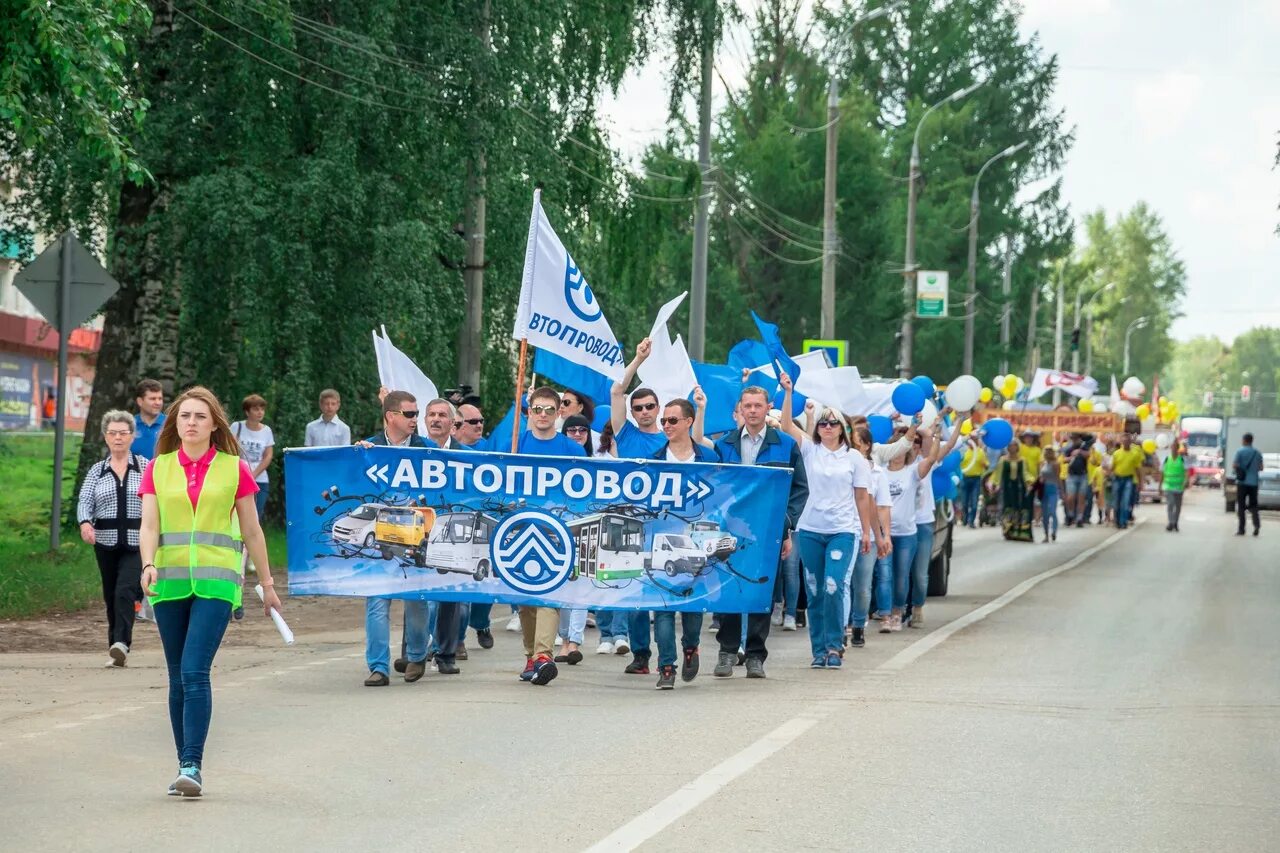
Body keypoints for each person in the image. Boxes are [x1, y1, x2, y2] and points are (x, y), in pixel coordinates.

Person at [138, 386, 281, 797]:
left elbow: (252, 530)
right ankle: (183, 758)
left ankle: (192, 766)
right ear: (175, 423)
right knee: (176, 676)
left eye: (200, 416)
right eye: (185, 416)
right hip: (169, 581)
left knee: (194, 670)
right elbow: (149, 526)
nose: (192, 423)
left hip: (217, 582)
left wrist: (267, 585)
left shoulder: (234, 468)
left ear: (214, 423)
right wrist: (147, 565)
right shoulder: (158, 467)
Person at [706, 384, 808, 678]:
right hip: (729, 531)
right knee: (728, 588)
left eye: (757, 406)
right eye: (747, 406)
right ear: (740, 409)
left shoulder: (785, 444)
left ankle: (755, 655)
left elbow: (800, 488)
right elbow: (713, 486)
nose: (752, 411)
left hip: (767, 531)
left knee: (762, 589)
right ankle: (726, 652)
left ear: (767, 408)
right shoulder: (724, 445)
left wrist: (786, 523)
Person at [777, 375, 874, 668]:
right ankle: (819, 650)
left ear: (843, 429)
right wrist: (789, 392)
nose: (827, 427)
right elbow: (785, 426)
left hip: (843, 530)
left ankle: (835, 645)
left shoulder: (855, 458)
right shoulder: (809, 450)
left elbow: (862, 498)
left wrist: (867, 532)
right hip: (809, 530)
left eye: (833, 423)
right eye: (823, 423)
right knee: (816, 590)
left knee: (834, 586)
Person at [510, 386, 586, 686]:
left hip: (556, 533)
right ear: (529, 411)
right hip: (519, 530)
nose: (543, 415)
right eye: (537, 409)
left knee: (550, 593)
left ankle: (544, 655)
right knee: (525, 599)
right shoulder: (516, 442)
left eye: (549, 410)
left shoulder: (572, 450)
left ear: (559, 413)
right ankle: (531, 656)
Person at [355, 391, 432, 687]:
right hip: (381, 536)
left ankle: (416, 655)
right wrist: (356, 456)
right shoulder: (369, 447)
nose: (416, 420)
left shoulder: (425, 450)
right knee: (377, 599)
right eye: (410, 414)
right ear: (391, 416)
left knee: (416, 600)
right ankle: (378, 667)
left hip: (414, 534)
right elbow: (351, 478)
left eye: (416, 414)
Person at [647, 392, 719, 688]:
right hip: (662, 540)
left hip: (695, 543)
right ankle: (666, 666)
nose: (666, 425)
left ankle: (691, 646)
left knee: (691, 607)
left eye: (672, 420)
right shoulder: (653, 460)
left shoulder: (709, 457)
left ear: (689, 422)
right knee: (662, 606)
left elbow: (723, 496)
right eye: (664, 420)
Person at [609, 339, 668, 676]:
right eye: (639, 407)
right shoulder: (625, 433)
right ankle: (641, 654)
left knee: (660, 589)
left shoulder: (671, 436)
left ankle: (669, 655)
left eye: (649, 406)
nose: (644, 411)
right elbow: (618, 392)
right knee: (632, 589)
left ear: (658, 409)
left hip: (663, 523)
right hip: (630, 521)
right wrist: (637, 359)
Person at [77, 410, 149, 668]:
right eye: (113, 433)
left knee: (125, 591)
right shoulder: (97, 470)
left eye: (123, 433)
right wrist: (85, 523)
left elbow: (156, 500)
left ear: (132, 436)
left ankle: (122, 643)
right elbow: (85, 501)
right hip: (105, 542)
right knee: (111, 594)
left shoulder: (144, 466)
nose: (118, 438)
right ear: (106, 437)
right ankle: (115, 649)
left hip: (137, 541)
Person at [419, 398, 470, 673]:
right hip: (419, 529)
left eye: (441, 415)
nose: (436, 419)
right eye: (431, 415)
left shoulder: (466, 455)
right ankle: (415, 650)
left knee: (449, 594)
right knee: (416, 593)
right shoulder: (414, 451)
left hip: (453, 530)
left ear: (453, 423)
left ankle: (446, 653)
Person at [879, 422, 937, 631]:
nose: (899, 454)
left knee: (902, 576)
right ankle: (885, 614)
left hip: (906, 534)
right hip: (884, 533)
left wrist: (933, 436)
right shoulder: (880, 472)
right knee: (885, 575)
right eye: (897, 448)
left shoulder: (912, 471)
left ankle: (897, 611)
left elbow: (930, 459)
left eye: (905, 450)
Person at [554, 413, 595, 666]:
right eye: (572, 430)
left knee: (581, 588)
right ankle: (563, 637)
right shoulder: (557, 462)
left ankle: (574, 643)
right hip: (560, 531)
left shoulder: (599, 462)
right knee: (561, 588)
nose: (578, 434)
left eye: (583, 430)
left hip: (589, 533)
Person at [846, 424, 891, 648]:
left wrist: (880, 536)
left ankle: (858, 625)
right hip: (843, 532)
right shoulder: (837, 465)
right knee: (841, 584)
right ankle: (842, 625)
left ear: (866, 446)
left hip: (866, 537)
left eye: (857, 442)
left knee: (862, 587)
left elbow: (876, 506)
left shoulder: (876, 473)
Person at [232, 394, 274, 520]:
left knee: (257, 513)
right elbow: (229, 449)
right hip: (238, 476)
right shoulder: (236, 427)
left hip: (260, 478)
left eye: (262, 409)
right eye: (256, 409)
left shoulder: (267, 430)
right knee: (237, 513)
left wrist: (254, 473)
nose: (260, 412)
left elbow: (268, 455)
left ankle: (253, 539)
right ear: (247, 411)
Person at [998, 441, 1034, 542]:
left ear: (1017, 448)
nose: (1012, 448)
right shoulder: (1003, 460)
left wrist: (1029, 482)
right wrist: (993, 484)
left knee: (1021, 507)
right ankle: (1009, 531)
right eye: (1010, 446)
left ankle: (1022, 532)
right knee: (1009, 507)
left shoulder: (1022, 460)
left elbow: (1025, 473)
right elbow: (997, 475)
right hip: (1007, 488)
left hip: (1019, 488)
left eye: (1014, 446)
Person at [1110, 433, 1145, 530]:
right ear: (1121, 442)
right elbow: (1112, 468)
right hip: (1117, 479)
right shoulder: (1116, 453)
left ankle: (1123, 521)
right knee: (1116, 501)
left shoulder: (1134, 454)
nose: (1125, 443)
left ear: (1130, 442)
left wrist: (1140, 482)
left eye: (1127, 441)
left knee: (1125, 501)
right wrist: (1108, 476)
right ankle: (1117, 520)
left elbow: (1138, 469)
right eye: (1123, 441)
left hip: (1128, 479)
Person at [1233, 432, 1264, 536]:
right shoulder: (1257, 453)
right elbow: (1261, 468)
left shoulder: (1240, 451)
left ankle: (1241, 529)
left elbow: (1234, 465)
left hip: (1242, 483)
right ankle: (1256, 526)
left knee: (1241, 506)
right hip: (1254, 483)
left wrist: (1239, 469)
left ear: (1244, 440)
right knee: (1254, 505)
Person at [132, 379, 166, 458]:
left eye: (160, 399)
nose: (158, 403)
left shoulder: (170, 424)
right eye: (153, 399)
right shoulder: (129, 425)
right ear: (140, 401)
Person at [959, 440, 988, 529]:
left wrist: (984, 465)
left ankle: (971, 522)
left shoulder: (980, 452)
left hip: (976, 479)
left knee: (974, 502)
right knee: (964, 502)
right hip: (965, 478)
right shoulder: (964, 451)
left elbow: (986, 465)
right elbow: (958, 464)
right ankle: (965, 519)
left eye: (976, 440)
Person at [1063, 436, 1090, 526]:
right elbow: (1063, 459)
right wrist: (1071, 457)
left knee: (1081, 498)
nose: (1076, 440)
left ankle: (1079, 518)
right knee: (1070, 497)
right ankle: (1070, 514)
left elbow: (1088, 455)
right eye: (1074, 438)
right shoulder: (1068, 448)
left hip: (1083, 475)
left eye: (1077, 438)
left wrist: (1080, 452)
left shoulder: (1084, 446)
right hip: (1071, 475)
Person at [1162, 439, 1187, 532]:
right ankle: (1171, 522)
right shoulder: (1167, 459)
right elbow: (1162, 472)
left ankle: (1175, 522)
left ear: (1177, 448)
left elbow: (1186, 471)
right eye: (1172, 447)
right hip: (1168, 486)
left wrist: (1186, 482)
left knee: (1178, 506)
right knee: (1170, 504)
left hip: (1179, 486)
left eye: (1175, 447)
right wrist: (1160, 485)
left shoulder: (1182, 459)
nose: (1173, 449)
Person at [1039, 446, 1061, 543]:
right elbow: (1040, 476)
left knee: (1052, 511)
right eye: (1046, 452)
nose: (1047, 454)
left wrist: (1062, 491)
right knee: (1044, 513)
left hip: (1052, 487)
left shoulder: (1055, 464)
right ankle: (1046, 534)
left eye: (1049, 452)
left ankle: (1054, 531)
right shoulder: (1043, 464)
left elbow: (1058, 477)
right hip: (1044, 489)